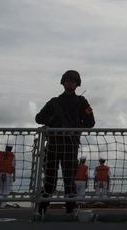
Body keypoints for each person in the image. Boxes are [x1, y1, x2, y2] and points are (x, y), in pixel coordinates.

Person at [35, 70, 95, 215]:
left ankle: (70, 208)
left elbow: (90, 122)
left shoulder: (82, 102)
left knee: (69, 178)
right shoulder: (54, 102)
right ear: (63, 82)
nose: (70, 83)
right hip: (54, 143)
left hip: (70, 144)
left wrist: (75, 129)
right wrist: (53, 122)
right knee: (50, 177)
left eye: (73, 81)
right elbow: (39, 117)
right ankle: (42, 207)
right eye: (68, 81)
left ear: (77, 84)